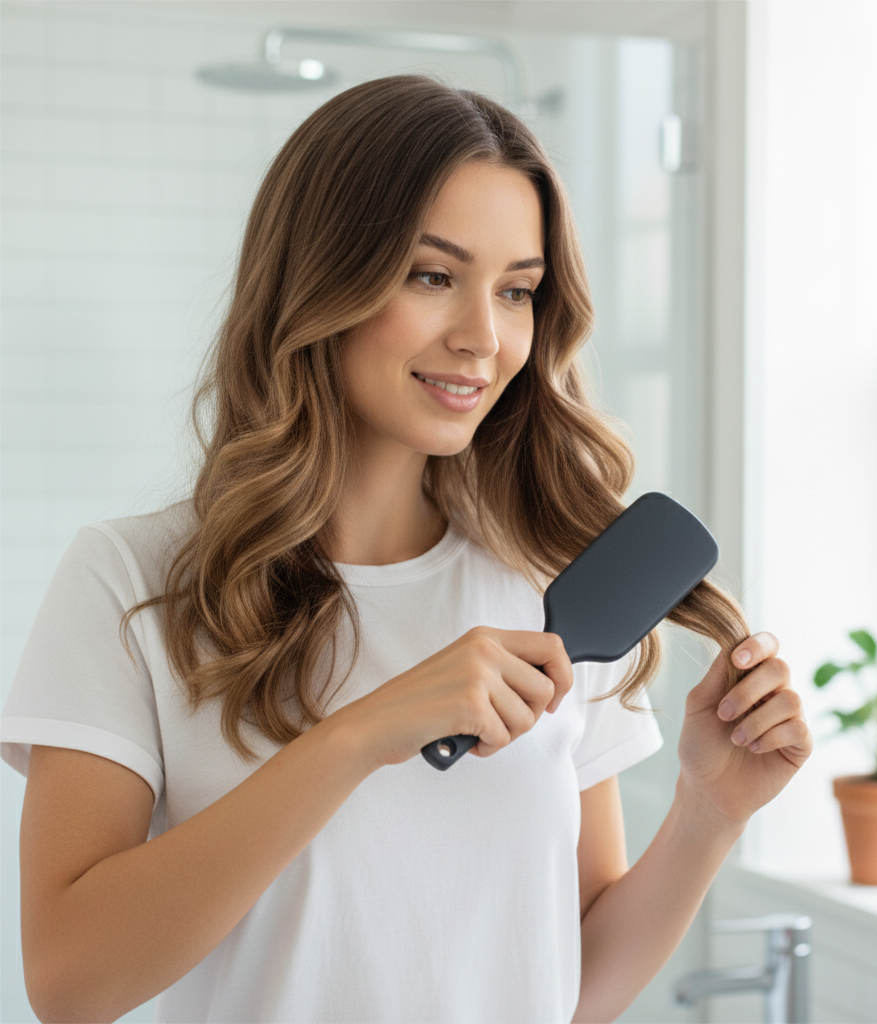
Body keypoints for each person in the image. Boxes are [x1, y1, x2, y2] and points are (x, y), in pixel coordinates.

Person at [1, 76, 812, 1023]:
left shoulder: (548, 587)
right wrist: (357, 737)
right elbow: (69, 982)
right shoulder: (135, 585)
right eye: (433, 276)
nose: (484, 337)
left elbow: (571, 985)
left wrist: (710, 816)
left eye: (518, 291)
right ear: (321, 279)